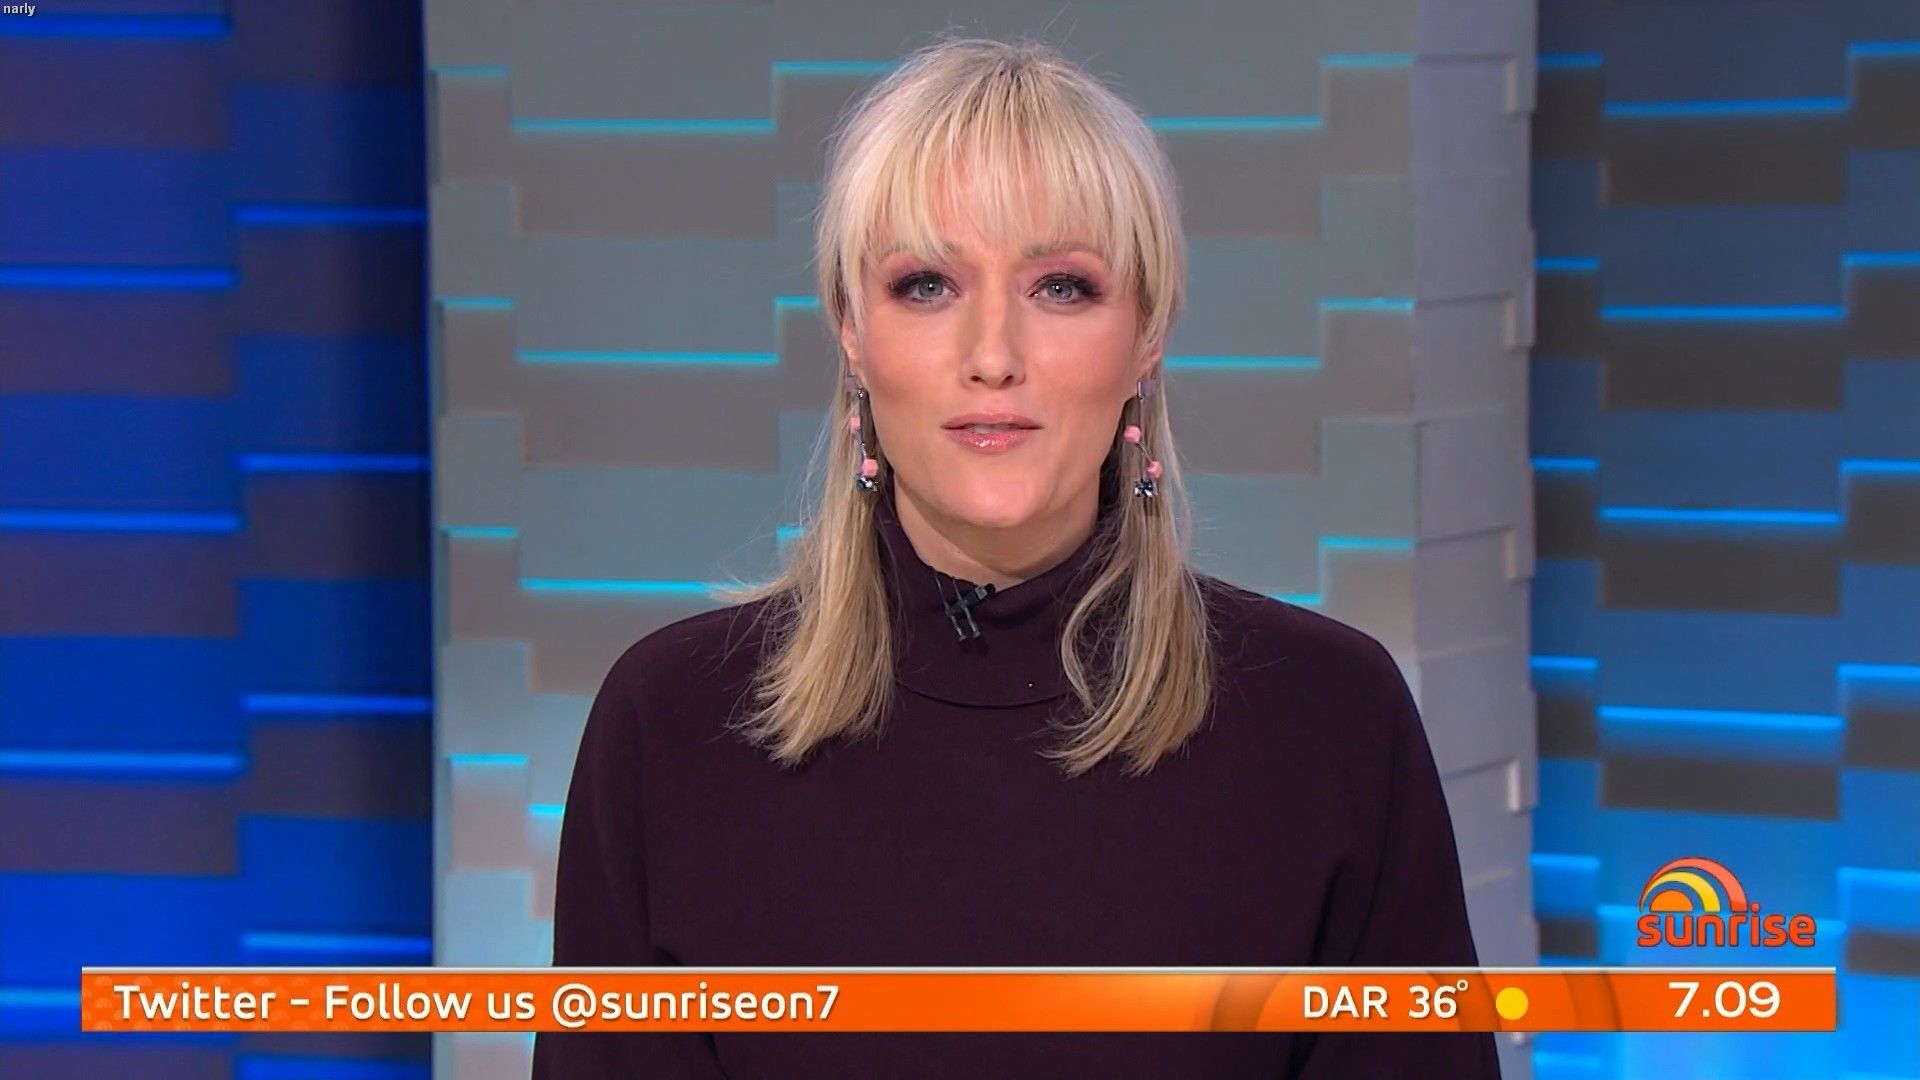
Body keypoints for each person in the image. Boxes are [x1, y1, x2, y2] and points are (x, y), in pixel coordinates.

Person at [531, 34, 1500, 1079]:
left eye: (1062, 288)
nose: (992, 356)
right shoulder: (671, 728)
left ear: (1147, 334)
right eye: (926, 285)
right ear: (851, 331)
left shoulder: (1331, 723)